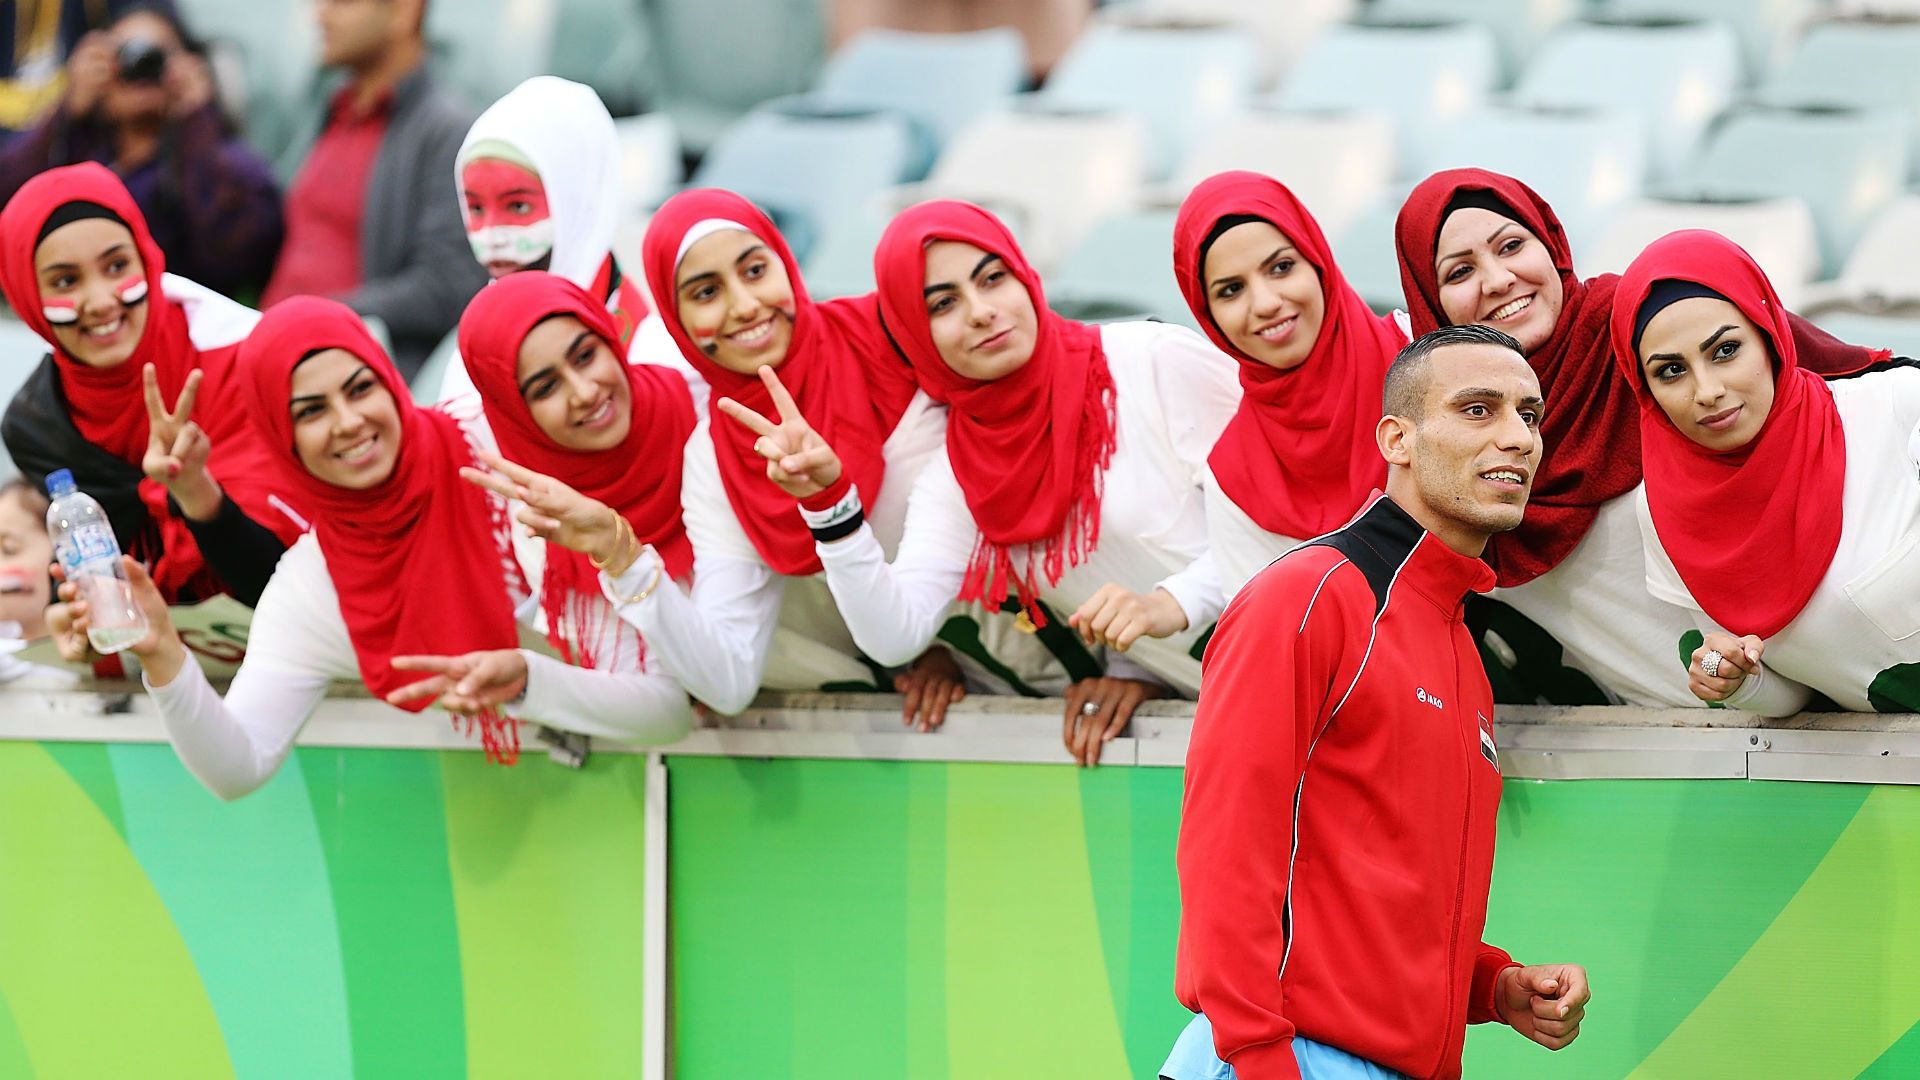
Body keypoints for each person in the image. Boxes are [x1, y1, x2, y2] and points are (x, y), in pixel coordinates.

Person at [1166, 323, 1589, 1080]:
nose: (1518, 439)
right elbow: (1224, 852)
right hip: (1275, 1058)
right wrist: (1261, 1061)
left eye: (1529, 416)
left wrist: (1492, 987)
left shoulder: (1457, 643)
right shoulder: (1310, 593)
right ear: (1396, 438)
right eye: (1478, 409)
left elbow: (1385, 900)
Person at [57, 297, 693, 800]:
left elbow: (667, 706)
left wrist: (529, 680)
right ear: (282, 437)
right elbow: (238, 767)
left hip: (670, 810)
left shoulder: (505, 456)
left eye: (360, 389)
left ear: (391, 381)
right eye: (310, 411)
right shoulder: (312, 585)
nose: (348, 421)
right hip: (508, 862)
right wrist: (162, 653)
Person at [725, 200, 1238, 764]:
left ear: (1025, 273)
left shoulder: (1153, 362)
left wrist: (1172, 604)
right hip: (1219, 721)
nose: (980, 311)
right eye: (943, 304)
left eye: (993, 279)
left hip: (1326, 671)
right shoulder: (958, 477)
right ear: (915, 335)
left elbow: (1294, 528)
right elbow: (895, 635)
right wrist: (829, 505)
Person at [1394, 168, 1874, 708]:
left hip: (1837, 683)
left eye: (1511, 246)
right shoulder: (1448, 441)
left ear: (1551, 244)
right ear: (1429, 304)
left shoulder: (1650, 333)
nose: (1499, 279)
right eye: (1460, 272)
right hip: (1654, 742)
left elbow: (1822, 381)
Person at [620, 188, 1008, 730]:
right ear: (675, 317)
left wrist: (1122, 663)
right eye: (706, 292)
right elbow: (728, 678)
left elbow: (1028, 435)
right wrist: (618, 561)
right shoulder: (716, 455)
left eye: (755, 270)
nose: (745, 305)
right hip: (959, 685)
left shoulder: (894, 338)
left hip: (1092, 642)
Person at [1612, 230, 1919, 716]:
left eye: (1725, 350)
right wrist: (1735, 683)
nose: (1707, 390)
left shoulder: (1897, 410)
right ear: (1643, 387)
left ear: (1770, 336)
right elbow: (1793, 695)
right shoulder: (1661, 510)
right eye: (1671, 371)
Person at [0, 163, 301, 621]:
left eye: (117, 266)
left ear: (147, 256)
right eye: (66, 281)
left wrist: (197, 492)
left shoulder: (247, 359)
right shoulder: (37, 424)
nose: (101, 301)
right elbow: (101, 581)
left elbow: (288, 584)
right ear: (26, 295)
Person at [418, 270, 699, 702]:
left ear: (608, 335)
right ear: (515, 413)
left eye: (585, 355)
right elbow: (643, 690)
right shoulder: (541, 523)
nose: (585, 392)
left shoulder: (706, 410)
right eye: (546, 387)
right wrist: (528, 683)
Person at [1173, 170, 1408, 596]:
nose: (1265, 303)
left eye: (1281, 267)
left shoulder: (1426, 355)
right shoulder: (1235, 476)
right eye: (1230, 291)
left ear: (1316, 259)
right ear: (1206, 314)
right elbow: (1270, 637)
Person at [261, 0, 485, 378]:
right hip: (269, 353)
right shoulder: (330, 110)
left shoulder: (445, 132)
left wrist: (315, 317)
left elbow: (447, 285)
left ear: (404, 12)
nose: (320, 15)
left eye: (342, 2)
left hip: (346, 377)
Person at [0, 3, 283, 296]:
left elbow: (238, 254)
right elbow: (9, 205)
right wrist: (66, 111)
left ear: (189, 64)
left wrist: (197, 119)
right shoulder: (77, 150)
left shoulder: (217, 158)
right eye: (124, 55)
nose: (141, 69)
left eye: (156, 56)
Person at [434, 75, 684, 403]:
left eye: (518, 206)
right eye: (476, 208)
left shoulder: (656, 357)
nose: (492, 236)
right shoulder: (470, 360)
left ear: (577, 206)